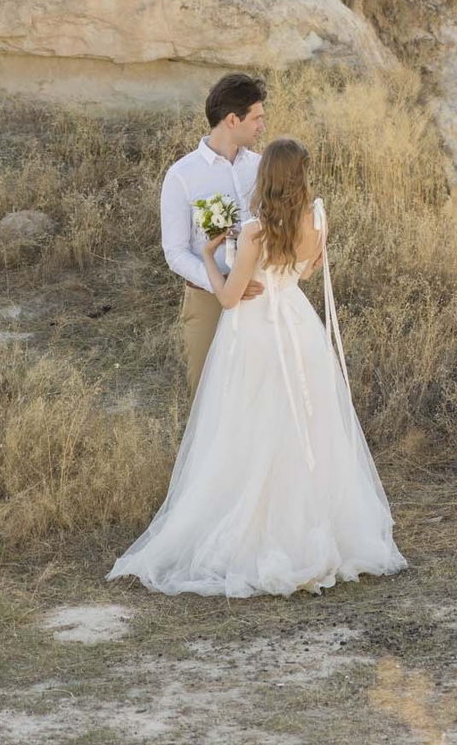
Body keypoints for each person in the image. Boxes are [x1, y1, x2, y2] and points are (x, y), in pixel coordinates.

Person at [110, 137, 406, 597]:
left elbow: (229, 298)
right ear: (301, 177)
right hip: (298, 326)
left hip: (255, 333)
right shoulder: (318, 219)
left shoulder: (253, 232)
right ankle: (310, 525)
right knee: (302, 424)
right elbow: (305, 273)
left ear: (266, 176)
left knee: (249, 426)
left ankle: (257, 528)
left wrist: (209, 257)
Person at [160, 73, 268, 394]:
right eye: (257, 118)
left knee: (256, 393)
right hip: (207, 300)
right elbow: (175, 251)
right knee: (206, 396)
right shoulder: (182, 176)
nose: (262, 126)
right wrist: (221, 285)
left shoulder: (262, 167)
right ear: (233, 119)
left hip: (258, 296)